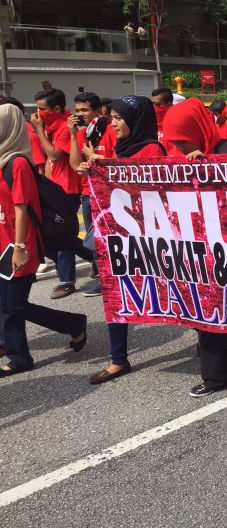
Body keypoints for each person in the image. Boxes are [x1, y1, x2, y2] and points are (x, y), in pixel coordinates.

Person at [161, 98, 227, 396]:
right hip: (193, 246)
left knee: (214, 311)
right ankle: (219, 373)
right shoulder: (180, 156)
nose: (179, 147)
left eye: (182, 140)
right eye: (174, 142)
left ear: (197, 128)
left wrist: (209, 168)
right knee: (201, 312)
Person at [0, 104, 88, 377]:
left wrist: (20, 247)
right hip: (3, 243)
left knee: (14, 305)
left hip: (18, 245)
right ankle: (16, 354)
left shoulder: (18, 163)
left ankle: (72, 323)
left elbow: (22, 207)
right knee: (5, 304)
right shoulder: (3, 159)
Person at [85, 96, 167, 384]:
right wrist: (99, 168)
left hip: (153, 238)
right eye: (113, 117)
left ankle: (204, 337)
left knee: (177, 291)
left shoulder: (152, 148)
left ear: (136, 120)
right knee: (115, 291)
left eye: (119, 118)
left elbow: (151, 190)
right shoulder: (122, 148)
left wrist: (109, 171)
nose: (114, 123)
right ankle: (118, 359)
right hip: (124, 237)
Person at [30, 88, 92, 299]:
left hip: (67, 188)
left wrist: (39, 130)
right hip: (54, 187)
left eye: (42, 109)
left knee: (61, 235)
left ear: (57, 108)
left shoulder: (66, 126)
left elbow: (55, 156)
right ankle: (97, 259)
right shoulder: (50, 125)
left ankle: (67, 281)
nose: (38, 113)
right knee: (62, 235)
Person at [67, 91, 116, 296]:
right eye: (77, 110)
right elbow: (75, 164)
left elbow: (116, 163)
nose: (80, 114)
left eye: (84, 110)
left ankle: (114, 278)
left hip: (109, 194)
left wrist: (93, 156)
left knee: (109, 240)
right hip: (88, 193)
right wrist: (72, 134)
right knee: (94, 242)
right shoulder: (82, 133)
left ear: (97, 111)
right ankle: (104, 279)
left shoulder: (110, 130)